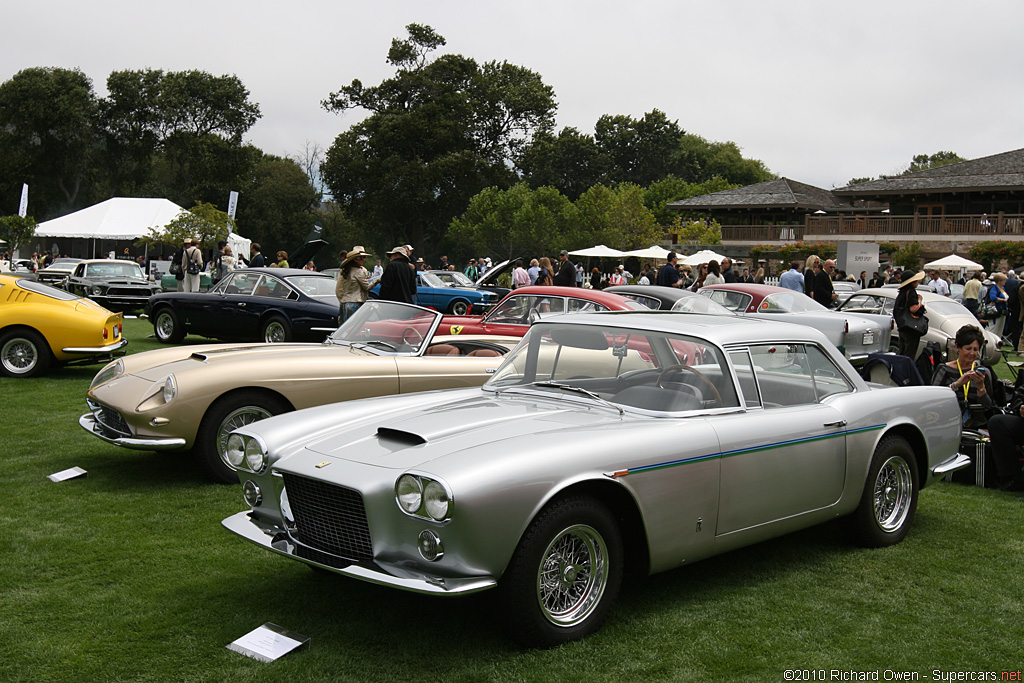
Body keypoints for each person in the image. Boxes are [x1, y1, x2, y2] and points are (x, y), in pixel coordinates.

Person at [931, 325, 994, 431]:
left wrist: (981, 388)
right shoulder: (944, 369)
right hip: (947, 420)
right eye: (968, 349)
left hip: (977, 425)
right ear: (957, 347)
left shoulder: (983, 373)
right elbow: (932, 399)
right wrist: (956, 385)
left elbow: (988, 407)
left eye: (975, 349)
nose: (972, 353)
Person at [894, 271, 927, 359]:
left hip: (903, 326)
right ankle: (907, 371)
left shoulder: (902, 292)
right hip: (911, 328)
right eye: (916, 281)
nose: (917, 282)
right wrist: (919, 301)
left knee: (902, 351)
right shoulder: (911, 292)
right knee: (909, 353)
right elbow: (913, 308)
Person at [336, 246, 371, 322]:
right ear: (355, 259)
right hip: (356, 302)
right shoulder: (358, 271)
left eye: (364, 257)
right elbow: (367, 287)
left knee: (344, 329)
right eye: (361, 257)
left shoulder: (345, 270)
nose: (363, 260)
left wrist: (343, 301)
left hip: (345, 303)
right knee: (354, 329)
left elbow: (339, 290)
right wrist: (377, 280)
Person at [987, 272, 1010, 338]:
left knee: (1000, 329)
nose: (1005, 281)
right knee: (994, 328)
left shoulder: (1003, 289)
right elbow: (993, 297)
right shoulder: (994, 288)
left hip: (1003, 311)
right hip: (996, 311)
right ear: (999, 281)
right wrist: (1003, 300)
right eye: (1004, 280)